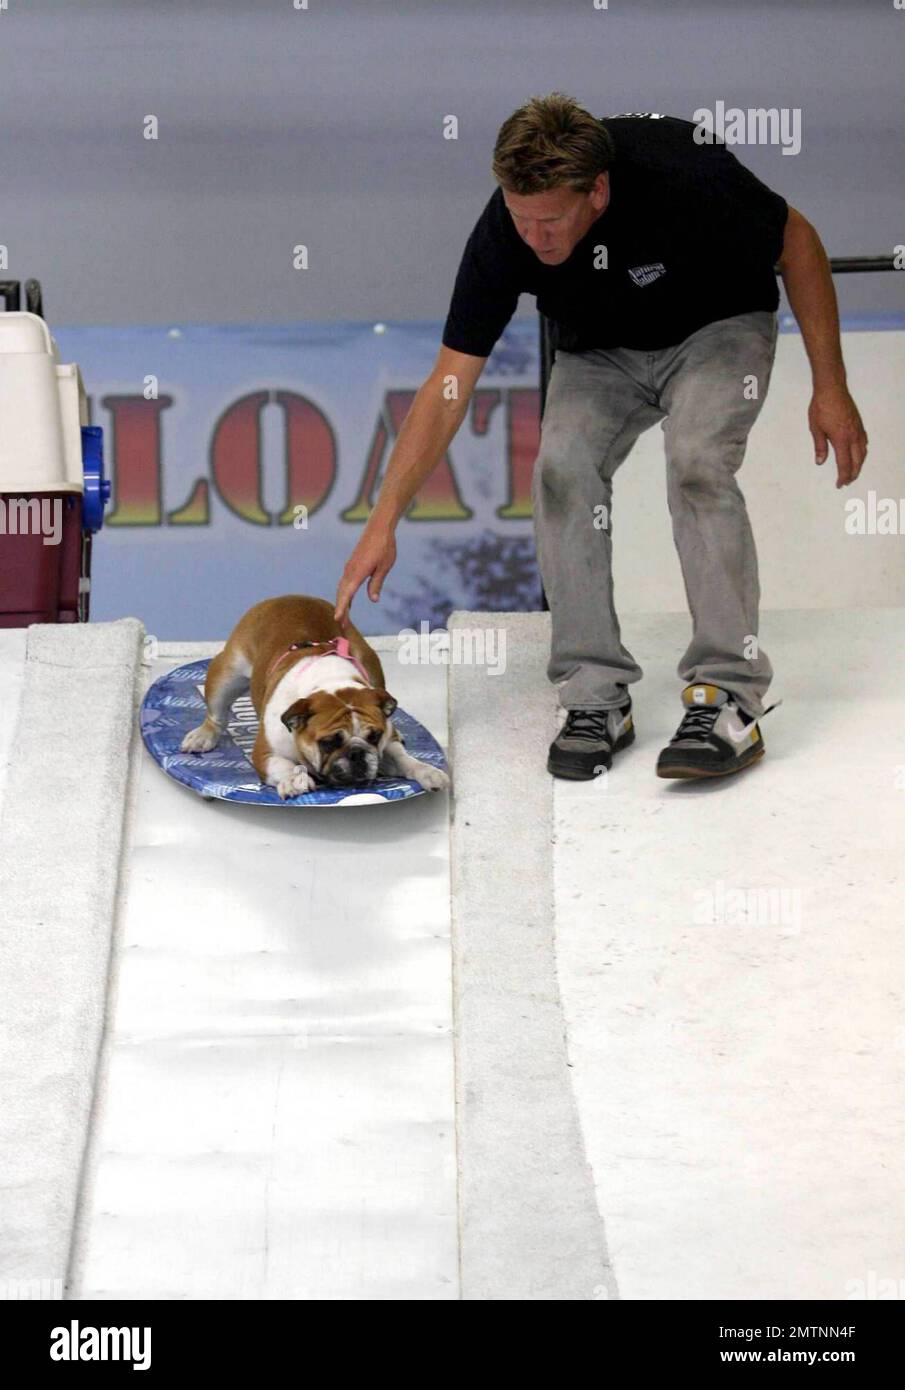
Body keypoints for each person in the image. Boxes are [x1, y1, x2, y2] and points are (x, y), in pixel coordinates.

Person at [334, 92, 868, 780]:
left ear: (598, 190)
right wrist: (383, 521)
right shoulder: (506, 228)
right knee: (560, 465)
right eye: (522, 220)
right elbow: (448, 384)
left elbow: (797, 242)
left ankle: (728, 694)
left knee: (697, 462)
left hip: (716, 329)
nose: (536, 240)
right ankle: (593, 695)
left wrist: (830, 386)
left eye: (551, 221)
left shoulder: (686, 174)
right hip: (601, 351)